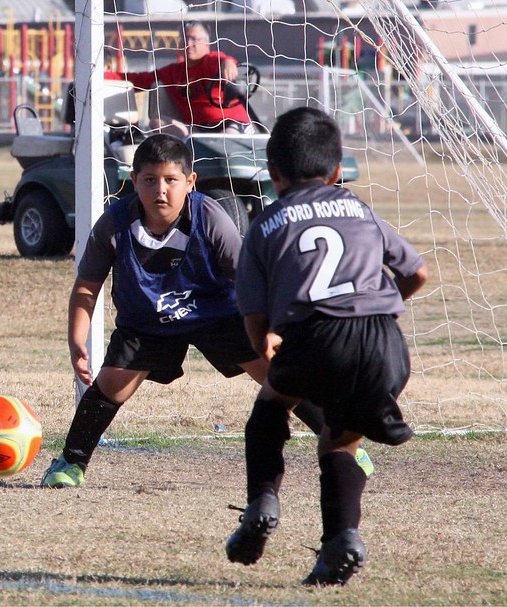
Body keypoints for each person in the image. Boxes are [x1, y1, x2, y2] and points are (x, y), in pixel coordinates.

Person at [40, 133, 371, 489]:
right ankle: (71, 461)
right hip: (147, 322)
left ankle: (343, 443)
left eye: (171, 180)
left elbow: (248, 277)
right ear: (133, 181)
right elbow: (88, 286)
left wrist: (273, 327)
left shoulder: (210, 217)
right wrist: (77, 340)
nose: (160, 190)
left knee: (280, 373)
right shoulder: (114, 223)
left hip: (220, 314)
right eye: (149, 180)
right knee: (112, 384)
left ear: (190, 182)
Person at [227, 107, 428, 585]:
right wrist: (378, 306)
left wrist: (271, 346)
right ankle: (343, 539)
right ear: (338, 171)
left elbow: (254, 318)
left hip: (317, 335)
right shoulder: (360, 208)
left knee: (271, 406)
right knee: (341, 437)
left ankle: (262, 501)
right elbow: (417, 272)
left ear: (273, 173)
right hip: (386, 344)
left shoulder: (265, 225)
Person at [106, 21, 255, 135]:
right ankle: (185, 155)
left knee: (227, 140)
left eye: (194, 39)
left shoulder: (211, 61)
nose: (188, 44)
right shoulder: (173, 72)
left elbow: (224, 61)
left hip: (232, 124)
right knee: (157, 122)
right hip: (197, 129)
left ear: (207, 44)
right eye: (184, 39)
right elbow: (139, 80)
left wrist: (229, 63)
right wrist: (101, 75)